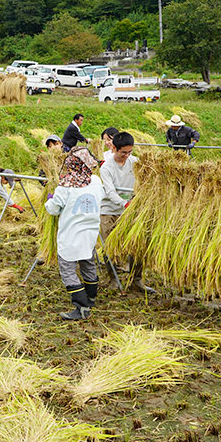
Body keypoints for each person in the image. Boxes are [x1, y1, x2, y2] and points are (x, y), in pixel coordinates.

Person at [45, 147, 104, 321]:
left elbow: (54, 210)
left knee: (68, 270)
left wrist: (50, 200)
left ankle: (82, 308)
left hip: (71, 234)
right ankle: (91, 298)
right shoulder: (96, 181)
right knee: (88, 262)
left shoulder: (66, 185)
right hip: (90, 232)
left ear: (71, 164)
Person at [99, 131, 154, 294]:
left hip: (130, 210)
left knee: (137, 245)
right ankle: (113, 279)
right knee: (110, 247)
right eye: (124, 152)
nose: (127, 155)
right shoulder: (107, 167)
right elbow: (109, 192)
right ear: (115, 148)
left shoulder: (135, 163)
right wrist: (125, 203)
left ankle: (136, 280)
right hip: (110, 210)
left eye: (130, 152)